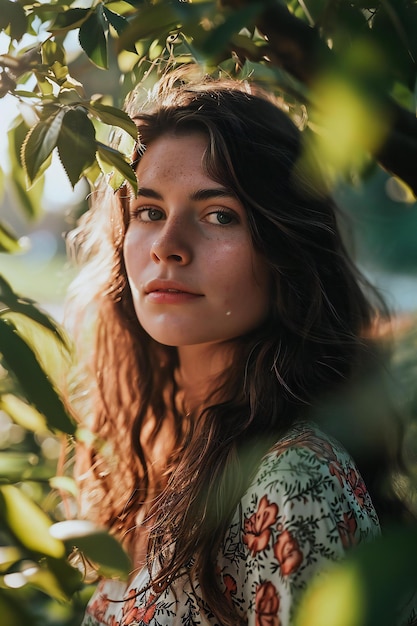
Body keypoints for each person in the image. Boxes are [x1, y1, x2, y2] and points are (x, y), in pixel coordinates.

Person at [65, 69, 407, 626]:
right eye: (149, 211)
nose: (168, 248)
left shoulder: (291, 479)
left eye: (218, 215)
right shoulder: (165, 454)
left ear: (286, 249)